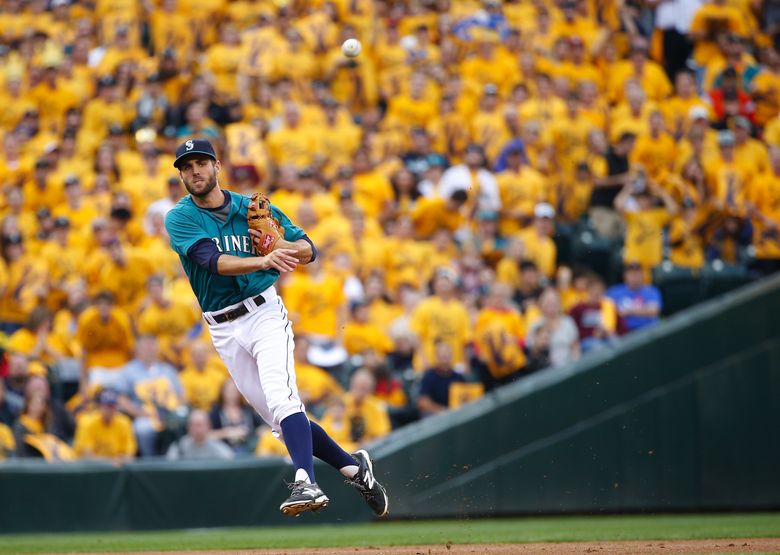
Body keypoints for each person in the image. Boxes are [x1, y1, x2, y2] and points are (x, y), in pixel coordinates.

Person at [164, 139, 388, 517]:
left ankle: (306, 481)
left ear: (217, 166)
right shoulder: (180, 217)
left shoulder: (251, 206)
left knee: (284, 400)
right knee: (282, 421)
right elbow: (212, 261)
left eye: (201, 163)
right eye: (187, 167)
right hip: (221, 327)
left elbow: (309, 249)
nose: (195, 171)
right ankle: (354, 468)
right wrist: (265, 257)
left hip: (263, 312)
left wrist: (281, 243)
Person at [73, 389, 137, 463]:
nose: (110, 410)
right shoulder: (87, 421)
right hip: (88, 470)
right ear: (100, 406)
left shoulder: (124, 422)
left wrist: (119, 461)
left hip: (115, 469)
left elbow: (130, 453)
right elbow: (86, 454)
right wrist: (112, 462)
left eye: (113, 406)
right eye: (108, 406)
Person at [606, 262, 663, 333]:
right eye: (631, 274)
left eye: (637, 274)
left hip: (649, 331)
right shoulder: (613, 292)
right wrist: (643, 309)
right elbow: (608, 312)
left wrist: (628, 311)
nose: (634, 277)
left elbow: (654, 310)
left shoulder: (651, 291)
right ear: (625, 275)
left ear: (642, 274)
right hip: (624, 333)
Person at [417, 342, 467, 417]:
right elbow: (423, 402)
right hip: (437, 416)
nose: (445, 360)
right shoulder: (429, 376)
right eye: (442, 357)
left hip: (457, 414)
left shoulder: (458, 377)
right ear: (436, 357)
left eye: (447, 356)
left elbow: (467, 395)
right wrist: (441, 410)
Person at [166, 409, 234, 460]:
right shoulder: (179, 447)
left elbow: (229, 459)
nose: (197, 429)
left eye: (200, 425)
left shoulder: (218, 448)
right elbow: (169, 465)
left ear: (208, 426)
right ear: (188, 427)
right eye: (194, 425)